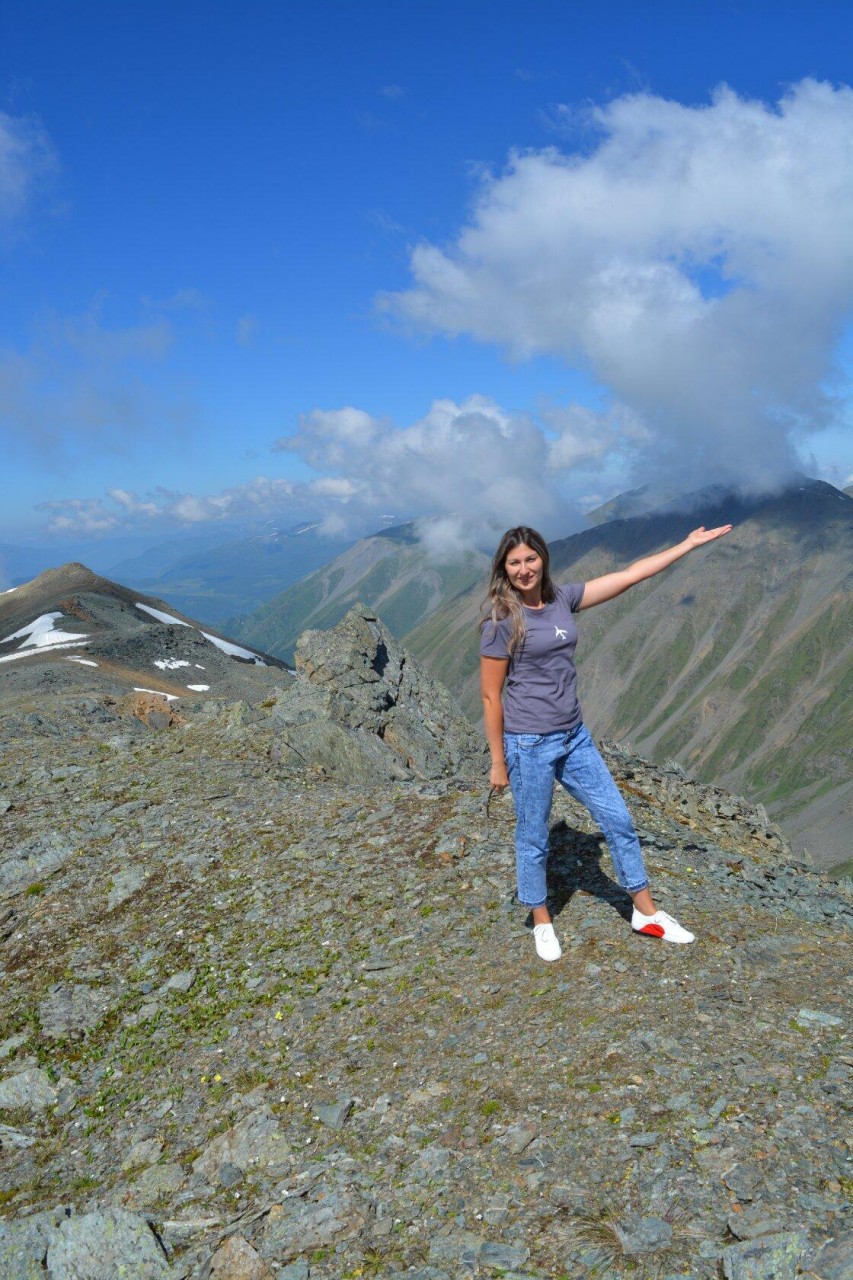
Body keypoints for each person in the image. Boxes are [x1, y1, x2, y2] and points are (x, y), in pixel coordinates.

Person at [480, 522, 732, 962]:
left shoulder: (563, 599)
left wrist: (687, 544)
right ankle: (541, 920)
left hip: (574, 736)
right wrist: (498, 762)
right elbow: (489, 695)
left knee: (617, 819)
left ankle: (646, 913)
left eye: (531, 559)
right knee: (534, 835)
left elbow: (631, 574)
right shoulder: (502, 622)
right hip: (528, 743)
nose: (524, 569)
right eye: (515, 562)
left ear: (543, 559)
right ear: (505, 567)